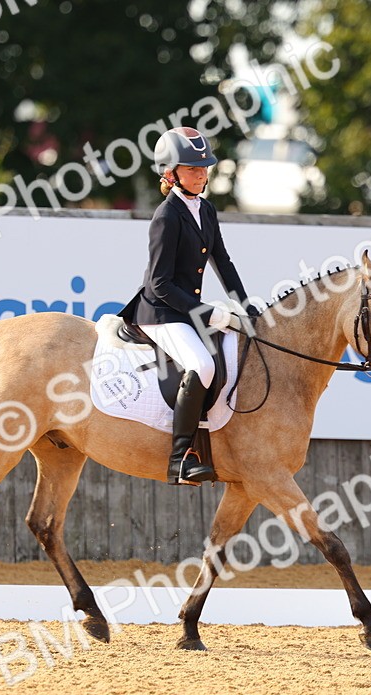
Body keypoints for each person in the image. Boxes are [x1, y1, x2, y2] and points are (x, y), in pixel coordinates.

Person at [119, 126, 258, 486]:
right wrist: (210, 313)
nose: (201, 174)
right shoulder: (166, 216)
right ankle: (180, 458)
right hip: (160, 312)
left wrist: (245, 306)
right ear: (170, 173)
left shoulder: (206, 211)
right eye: (192, 168)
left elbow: (223, 263)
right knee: (202, 364)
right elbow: (159, 284)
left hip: (186, 311)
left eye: (204, 167)